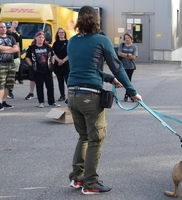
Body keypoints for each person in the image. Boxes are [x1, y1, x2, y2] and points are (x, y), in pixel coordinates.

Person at [66, 5, 142, 195]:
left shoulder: (73, 41)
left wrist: (108, 79)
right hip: (90, 97)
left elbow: (87, 67)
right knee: (96, 138)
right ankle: (90, 183)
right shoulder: (102, 40)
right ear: (96, 20)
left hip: (73, 95)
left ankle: (77, 178)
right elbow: (117, 66)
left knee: (83, 137)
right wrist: (132, 91)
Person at [25, 31, 60, 108]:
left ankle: (52, 101)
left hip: (47, 70)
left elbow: (53, 55)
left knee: (50, 86)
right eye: (39, 37)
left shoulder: (47, 47)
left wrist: (52, 64)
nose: (41, 39)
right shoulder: (32, 48)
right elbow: (27, 57)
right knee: (39, 86)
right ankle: (41, 102)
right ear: (36, 38)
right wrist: (31, 65)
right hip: (37, 70)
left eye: (42, 37)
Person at [0, 21, 19, 112]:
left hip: (10, 63)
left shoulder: (11, 37)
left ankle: (4, 101)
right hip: (0, 63)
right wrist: (10, 48)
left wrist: (4, 50)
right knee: (0, 83)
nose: (3, 29)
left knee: (8, 84)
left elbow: (16, 49)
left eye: (4, 27)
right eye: (1, 27)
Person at [117, 32, 138, 102]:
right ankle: (128, 95)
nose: (127, 39)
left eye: (128, 38)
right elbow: (119, 53)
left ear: (131, 38)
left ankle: (127, 94)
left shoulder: (134, 46)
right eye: (125, 38)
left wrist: (125, 55)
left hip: (130, 66)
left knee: (128, 81)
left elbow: (134, 57)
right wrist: (128, 55)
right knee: (125, 81)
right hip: (123, 66)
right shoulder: (122, 45)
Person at [52, 28, 70, 102]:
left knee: (68, 81)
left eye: (63, 32)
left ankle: (69, 96)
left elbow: (70, 53)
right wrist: (59, 60)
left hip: (66, 64)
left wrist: (63, 60)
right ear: (58, 34)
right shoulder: (55, 43)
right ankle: (62, 95)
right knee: (60, 81)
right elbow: (53, 53)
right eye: (60, 32)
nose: (61, 34)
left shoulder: (68, 42)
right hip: (58, 64)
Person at [5, 21, 20, 99]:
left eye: (8, 27)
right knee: (1, 77)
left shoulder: (14, 35)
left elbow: (17, 47)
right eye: (6, 27)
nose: (7, 29)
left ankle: (10, 92)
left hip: (13, 58)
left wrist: (18, 57)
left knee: (11, 76)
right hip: (2, 60)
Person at [11, 20, 24, 85]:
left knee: (18, 65)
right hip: (10, 51)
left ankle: (20, 79)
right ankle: (13, 79)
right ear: (12, 23)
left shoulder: (18, 33)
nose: (16, 24)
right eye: (15, 23)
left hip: (17, 51)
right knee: (12, 65)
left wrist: (19, 52)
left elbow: (19, 44)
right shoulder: (8, 33)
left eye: (17, 23)